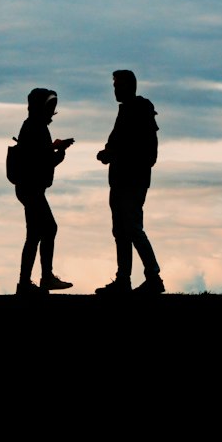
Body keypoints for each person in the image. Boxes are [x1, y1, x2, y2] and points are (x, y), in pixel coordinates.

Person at [94, 69, 164, 297]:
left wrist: (113, 154)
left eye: (119, 85)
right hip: (121, 180)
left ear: (131, 86)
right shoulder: (128, 111)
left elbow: (145, 152)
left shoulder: (138, 111)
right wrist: (109, 153)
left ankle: (152, 278)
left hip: (131, 181)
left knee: (132, 228)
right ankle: (124, 279)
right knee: (122, 231)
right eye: (114, 86)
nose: (116, 90)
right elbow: (123, 145)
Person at [14, 86, 74, 297]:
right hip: (32, 188)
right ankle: (42, 278)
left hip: (28, 187)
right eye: (50, 107)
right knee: (47, 229)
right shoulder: (35, 127)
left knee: (36, 233)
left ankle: (26, 283)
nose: (52, 112)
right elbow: (40, 160)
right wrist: (56, 151)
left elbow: (40, 159)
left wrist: (56, 151)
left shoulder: (32, 126)